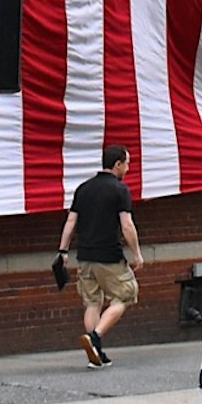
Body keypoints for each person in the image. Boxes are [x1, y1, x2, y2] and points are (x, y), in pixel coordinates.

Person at [57, 145, 144, 366]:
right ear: (117, 164)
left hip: (84, 257)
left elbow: (71, 221)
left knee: (92, 302)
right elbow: (127, 225)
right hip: (109, 256)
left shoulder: (83, 189)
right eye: (127, 163)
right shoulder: (120, 190)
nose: (128, 167)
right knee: (125, 295)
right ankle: (94, 337)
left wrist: (63, 251)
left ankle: (95, 353)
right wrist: (137, 254)